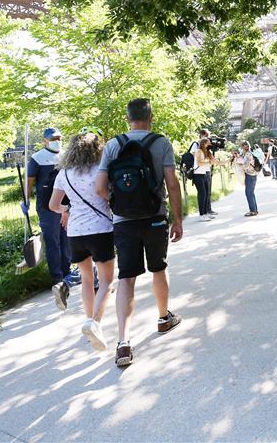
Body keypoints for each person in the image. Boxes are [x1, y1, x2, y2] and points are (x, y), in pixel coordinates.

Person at [95, 98, 183, 368]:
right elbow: (172, 183)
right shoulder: (161, 143)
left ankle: (123, 342)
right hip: (155, 217)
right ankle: (163, 317)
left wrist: (117, 203)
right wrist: (177, 219)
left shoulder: (112, 145)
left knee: (127, 278)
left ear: (127, 118)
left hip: (123, 221)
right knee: (158, 268)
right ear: (151, 116)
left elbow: (99, 186)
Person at [48, 127, 114, 351]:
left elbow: (53, 205)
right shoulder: (100, 170)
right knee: (106, 281)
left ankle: (89, 321)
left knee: (87, 279)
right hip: (101, 229)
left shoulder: (64, 173)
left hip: (75, 232)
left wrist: (67, 209)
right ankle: (94, 322)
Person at [24, 127, 77, 301]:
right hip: (47, 207)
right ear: (45, 140)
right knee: (53, 241)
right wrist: (26, 199)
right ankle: (57, 277)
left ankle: (67, 273)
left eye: (59, 137)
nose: (57, 140)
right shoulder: (37, 158)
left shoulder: (66, 156)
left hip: (66, 205)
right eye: (53, 138)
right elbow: (29, 180)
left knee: (66, 239)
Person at [190, 129, 216, 217]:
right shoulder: (196, 144)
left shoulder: (207, 147)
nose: (208, 137)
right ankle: (203, 213)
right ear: (202, 135)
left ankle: (208, 210)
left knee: (207, 192)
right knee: (202, 193)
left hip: (206, 171)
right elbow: (195, 156)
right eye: (207, 135)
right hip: (199, 171)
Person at [239, 141, 259, 216]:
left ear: (244, 147)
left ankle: (253, 211)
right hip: (252, 174)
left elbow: (246, 166)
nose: (242, 148)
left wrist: (240, 164)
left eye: (242, 146)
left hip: (250, 175)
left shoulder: (248, 154)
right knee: (251, 193)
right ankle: (254, 210)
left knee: (249, 193)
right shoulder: (249, 153)